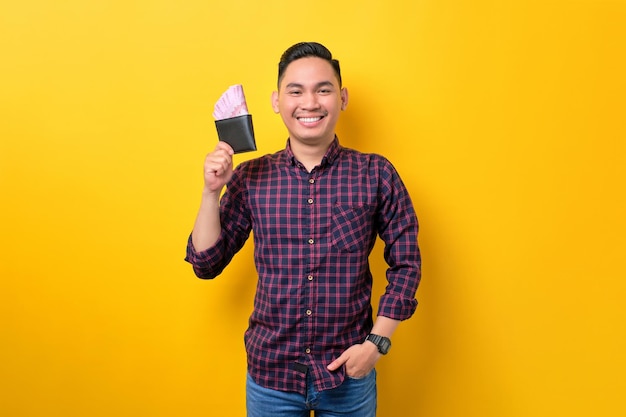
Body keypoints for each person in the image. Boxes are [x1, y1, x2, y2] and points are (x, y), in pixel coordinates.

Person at [185, 42, 421, 417]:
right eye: (295, 91)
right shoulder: (250, 177)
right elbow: (205, 262)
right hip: (270, 377)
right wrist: (211, 192)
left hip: (348, 376)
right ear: (277, 101)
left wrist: (376, 343)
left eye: (323, 89)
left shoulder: (376, 173)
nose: (309, 102)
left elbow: (407, 263)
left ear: (341, 98)